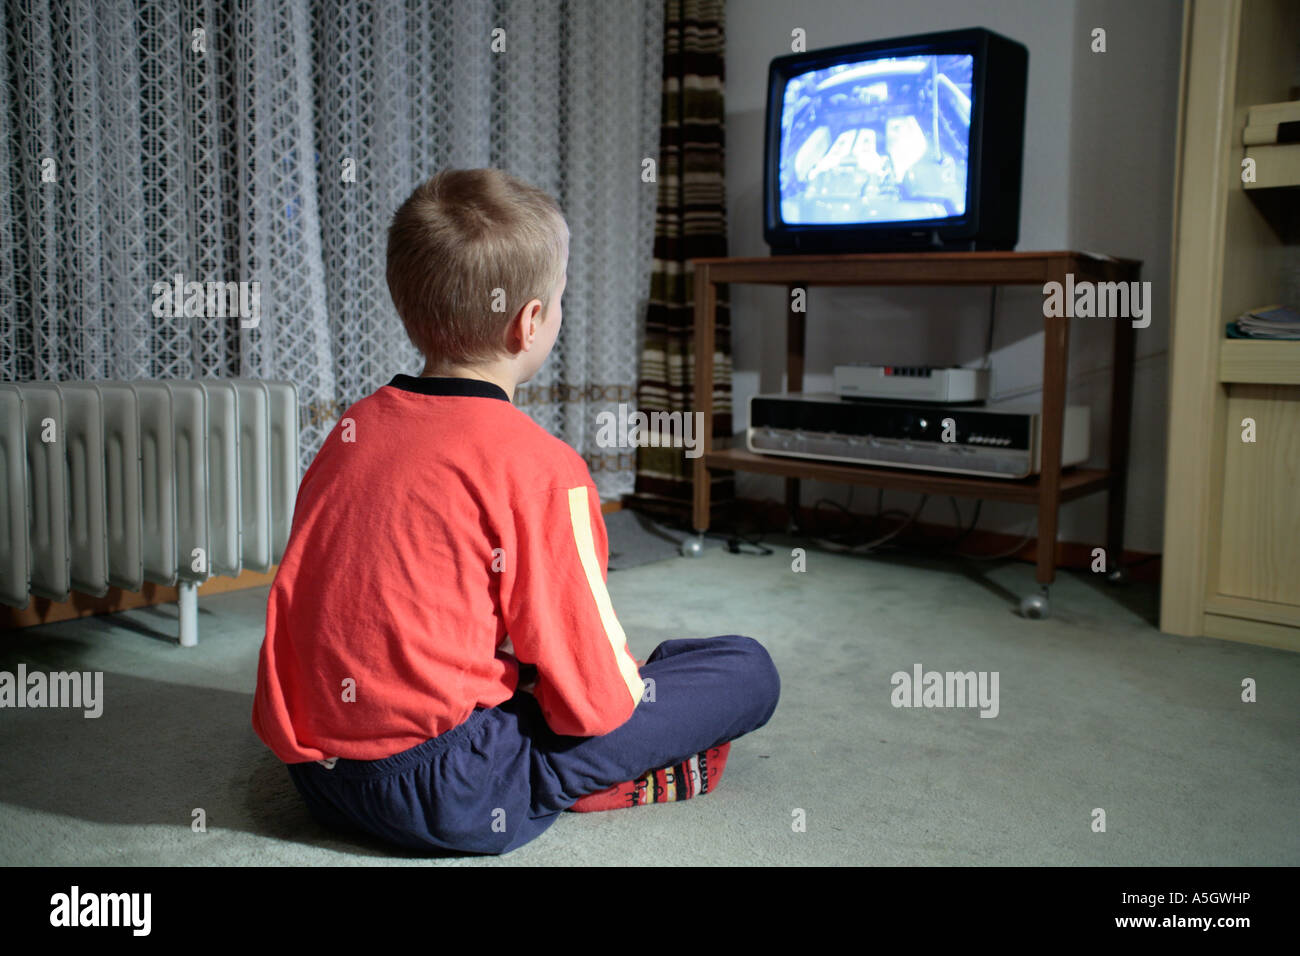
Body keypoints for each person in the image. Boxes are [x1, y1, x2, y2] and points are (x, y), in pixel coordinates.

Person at [251, 168, 781, 855]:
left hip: (316, 778)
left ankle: (562, 743)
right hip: (451, 791)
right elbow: (594, 704)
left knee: (553, 670)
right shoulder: (541, 467)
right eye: (559, 300)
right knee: (742, 669)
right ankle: (590, 780)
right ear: (529, 321)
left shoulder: (350, 430)